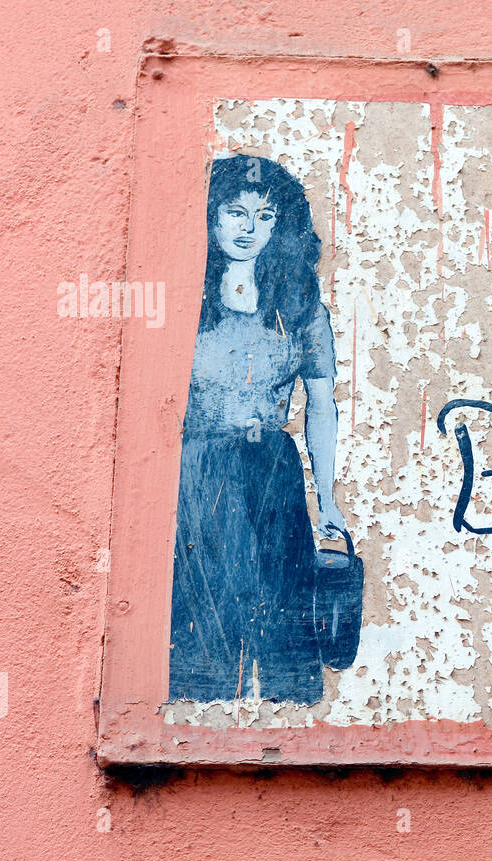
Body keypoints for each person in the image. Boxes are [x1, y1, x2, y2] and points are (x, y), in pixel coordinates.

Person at [169, 154, 362, 704]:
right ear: (209, 216)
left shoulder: (299, 307)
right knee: (205, 619)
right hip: (198, 472)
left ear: (283, 225)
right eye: (235, 212)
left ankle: (288, 734)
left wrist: (326, 499)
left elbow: (320, 406)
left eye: (265, 214)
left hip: (273, 473)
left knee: (283, 620)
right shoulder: (185, 301)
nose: (249, 228)